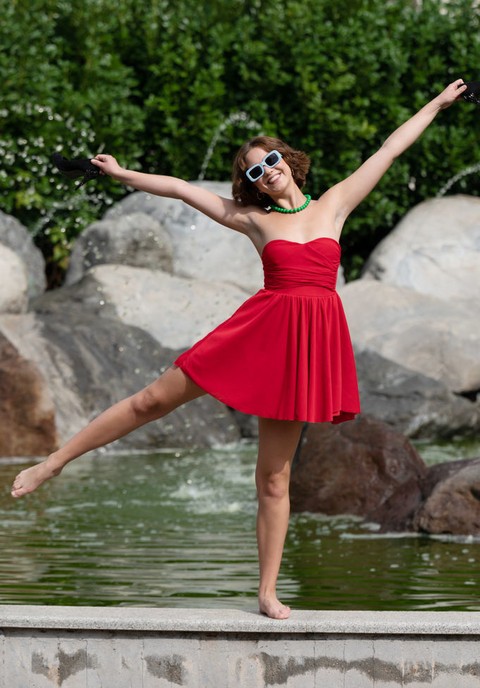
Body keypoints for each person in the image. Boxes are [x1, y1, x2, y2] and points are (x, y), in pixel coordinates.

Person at [11, 79, 467, 619]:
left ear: (287, 160)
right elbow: (182, 188)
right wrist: (121, 173)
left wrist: (437, 104)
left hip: (305, 348)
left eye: (269, 159)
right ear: (251, 184)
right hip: (258, 331)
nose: (266, 170)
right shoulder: (253, 219)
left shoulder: (335, 204)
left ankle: (267, 591)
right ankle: (54, 463)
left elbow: (390, 147)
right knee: (150, 402)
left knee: (274, 477)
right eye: (254, 169)